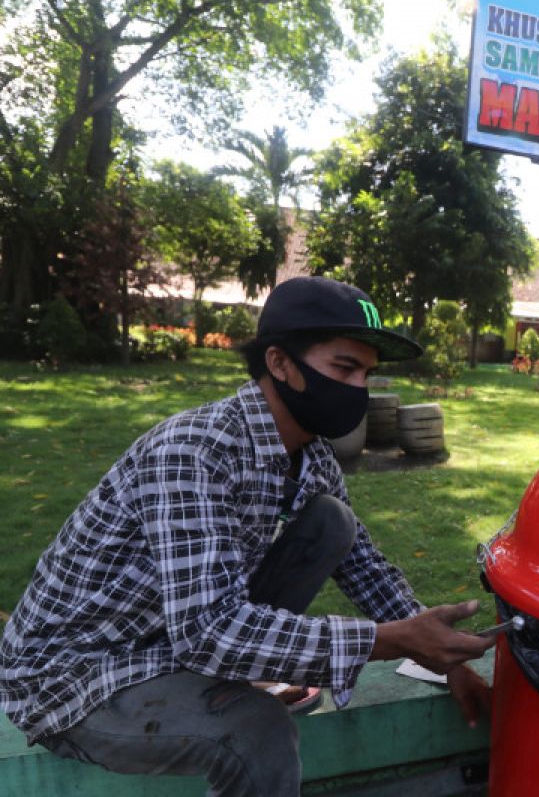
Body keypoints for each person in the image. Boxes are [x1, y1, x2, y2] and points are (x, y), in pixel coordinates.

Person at [0, 276, 495, 796]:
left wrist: (440, 657)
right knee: (257, 730)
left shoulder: (311, 455)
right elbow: (208, 630)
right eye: (343, 369)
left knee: (334, 522)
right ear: (279, 364)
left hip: (172, 644)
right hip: (78, 676)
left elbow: (362, 564)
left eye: (366, 374)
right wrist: (387, 641)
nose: (357, 390)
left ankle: (233, 676)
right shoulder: (192, 451)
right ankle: (232, 688)